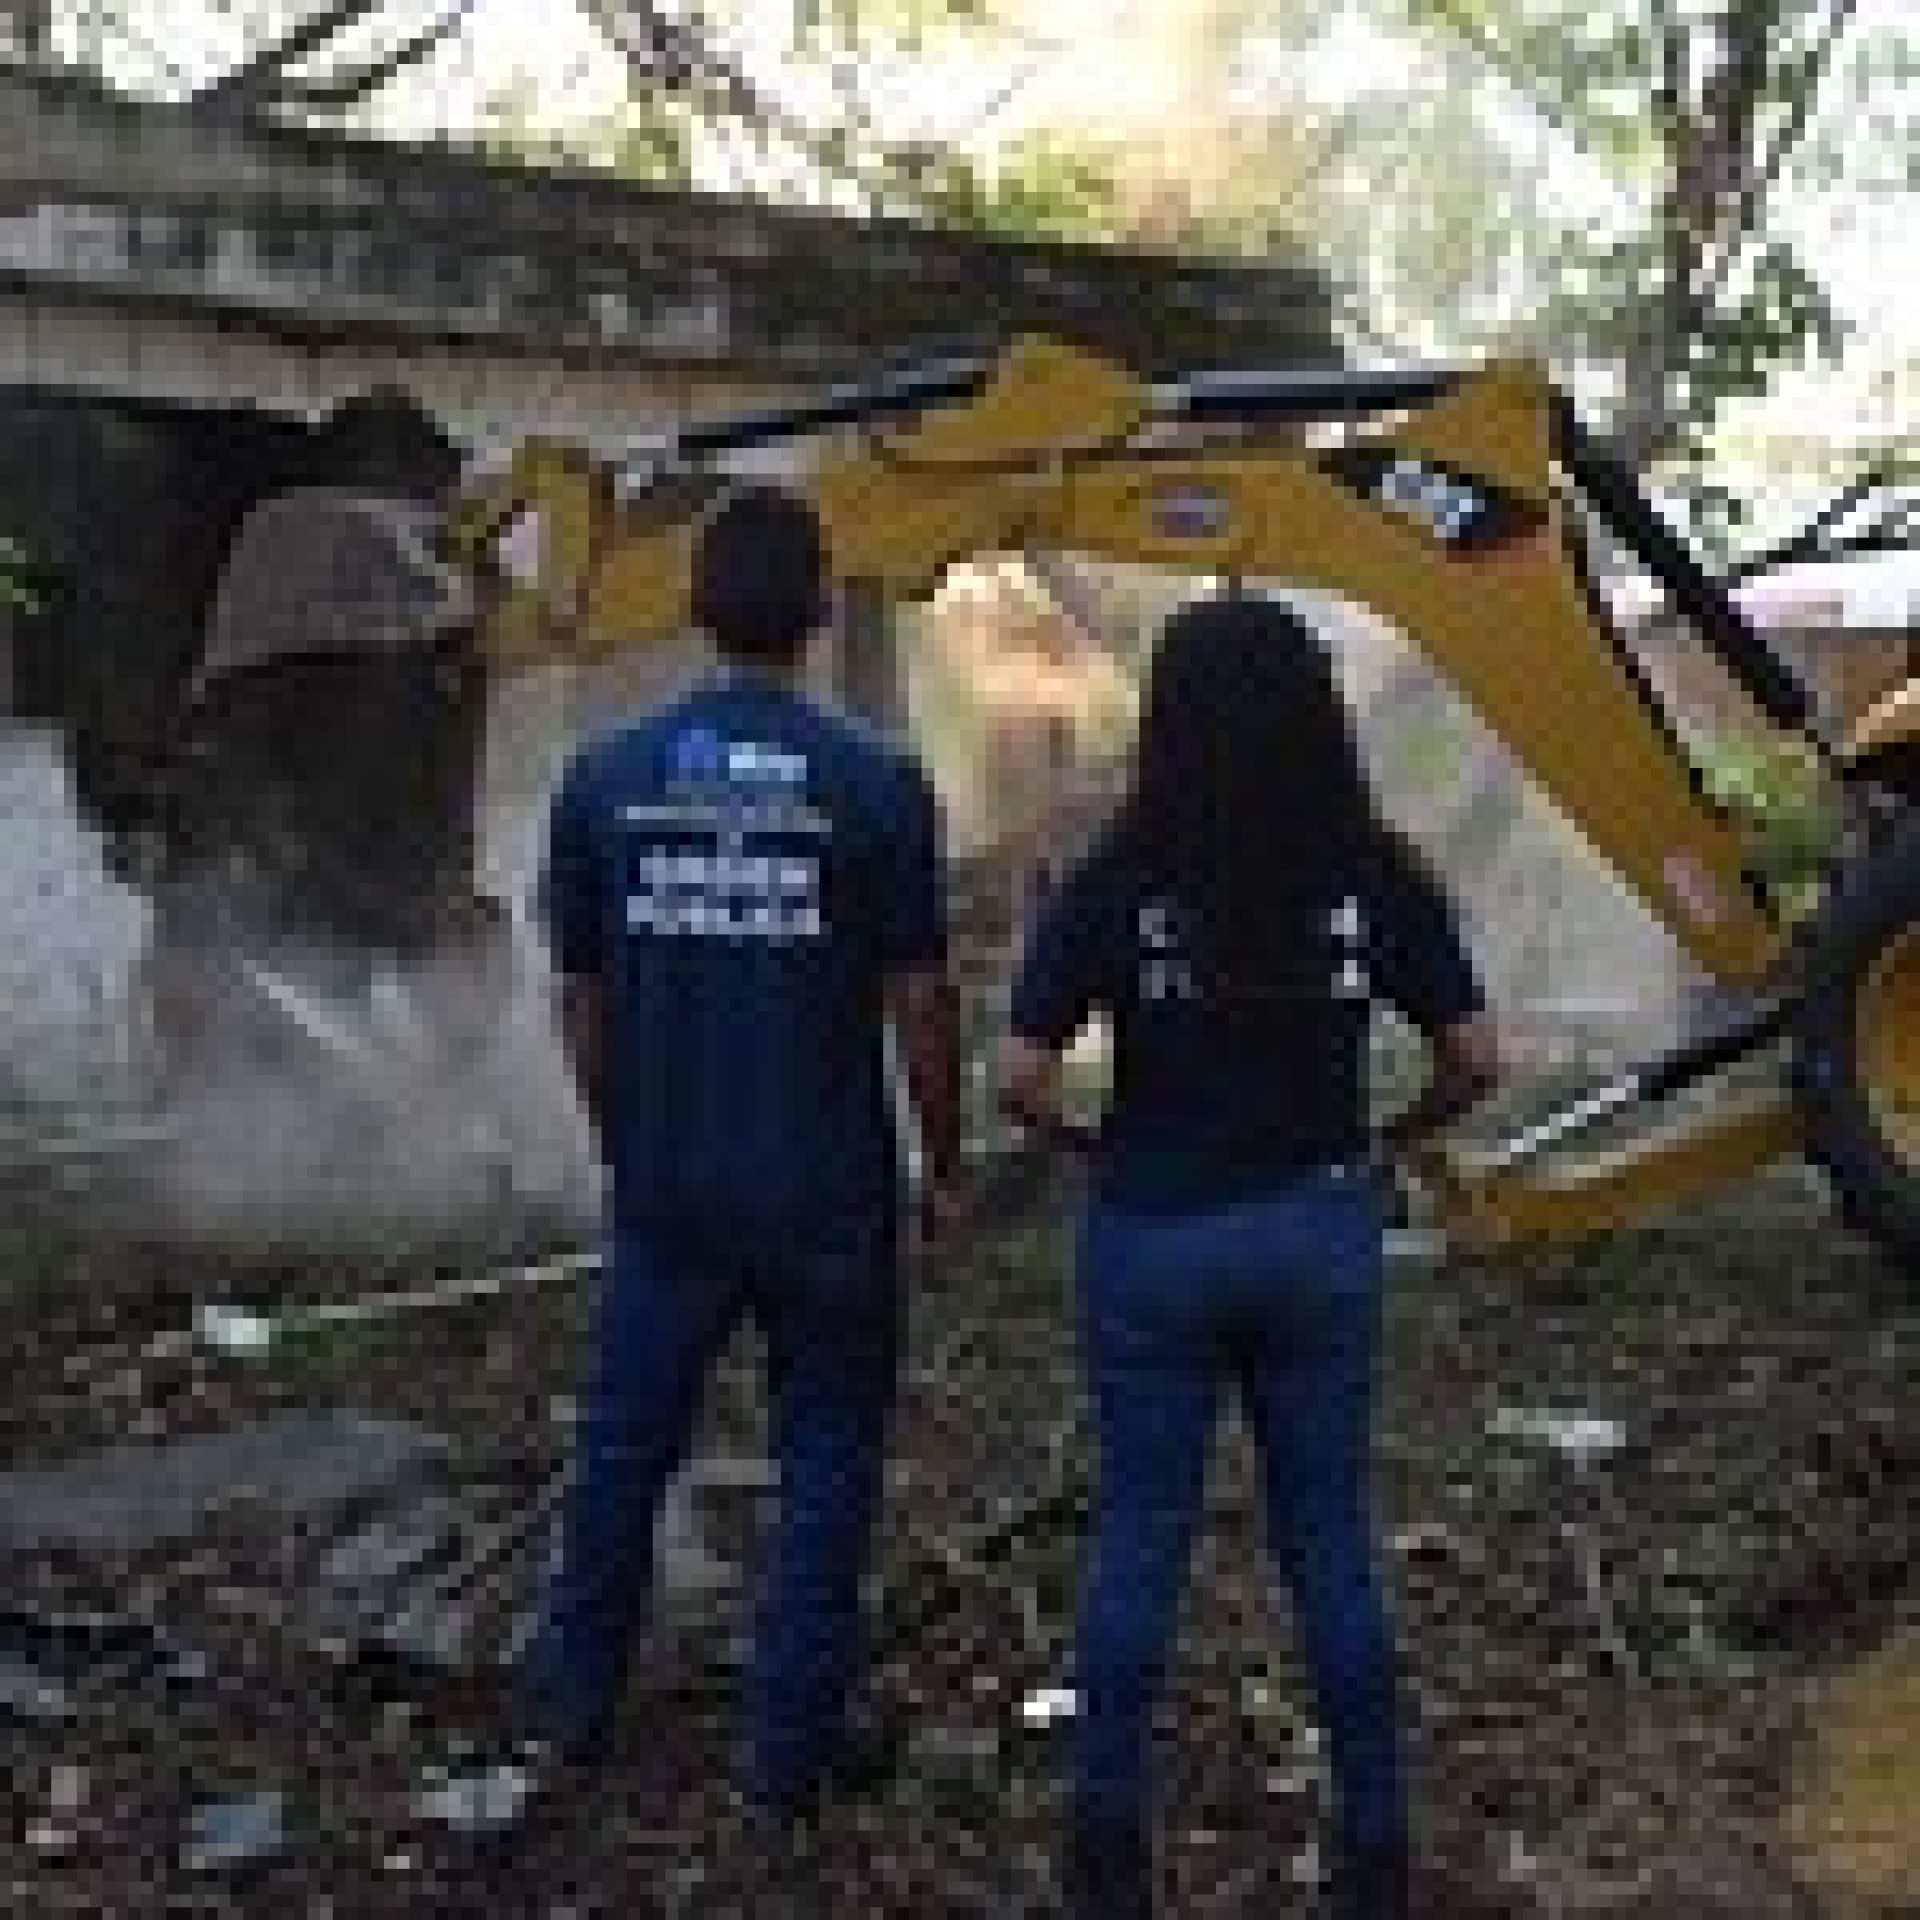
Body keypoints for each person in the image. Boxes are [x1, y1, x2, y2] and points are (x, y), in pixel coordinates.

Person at [996, 590, 1501, 1920]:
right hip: (1316, 1230)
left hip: (1156, 1235)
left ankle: (1107, 1848)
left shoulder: (1117, 876)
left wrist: (1088, 1148)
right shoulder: (1372, 877)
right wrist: (1395, 1139)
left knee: (1140, 1540)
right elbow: (1480, 1059)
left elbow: (1015, 1075)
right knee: (1328, 1540)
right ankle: (1378, 1845)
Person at [516, 482, 965, 1834]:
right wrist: (943, 1166)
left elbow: (582, 1002)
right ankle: (783, 1761)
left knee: (623, 1451)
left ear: (696, 606)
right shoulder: (877, 784)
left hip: (674, 1190)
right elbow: (922, 999)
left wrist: (620, 1142)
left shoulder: (603, 782)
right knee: (827, 1463)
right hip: (830, 1197)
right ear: (822, 607)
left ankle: (571, 1711)